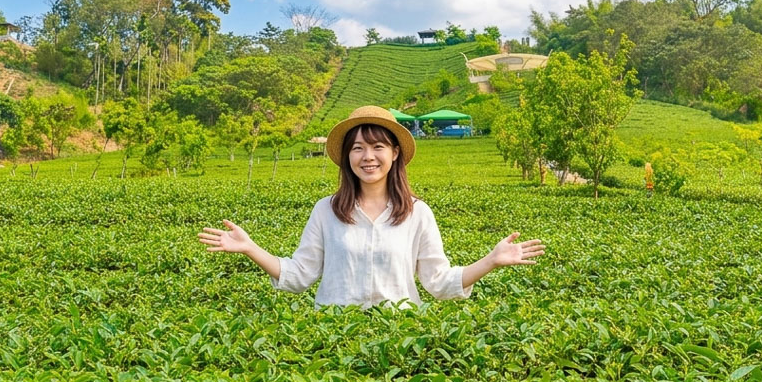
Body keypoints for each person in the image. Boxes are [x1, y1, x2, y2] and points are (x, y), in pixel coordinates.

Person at [199, 105, 544, 308]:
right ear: (347, 156)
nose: (368, 157)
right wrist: (250, 248)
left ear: (395, 153)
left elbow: (438, 282)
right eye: (358, 148)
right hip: (334, 340)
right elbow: (299, 276)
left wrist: (491, 261)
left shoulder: (417, 213)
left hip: (400, 342)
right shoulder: (326, 210)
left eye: (377, 146)